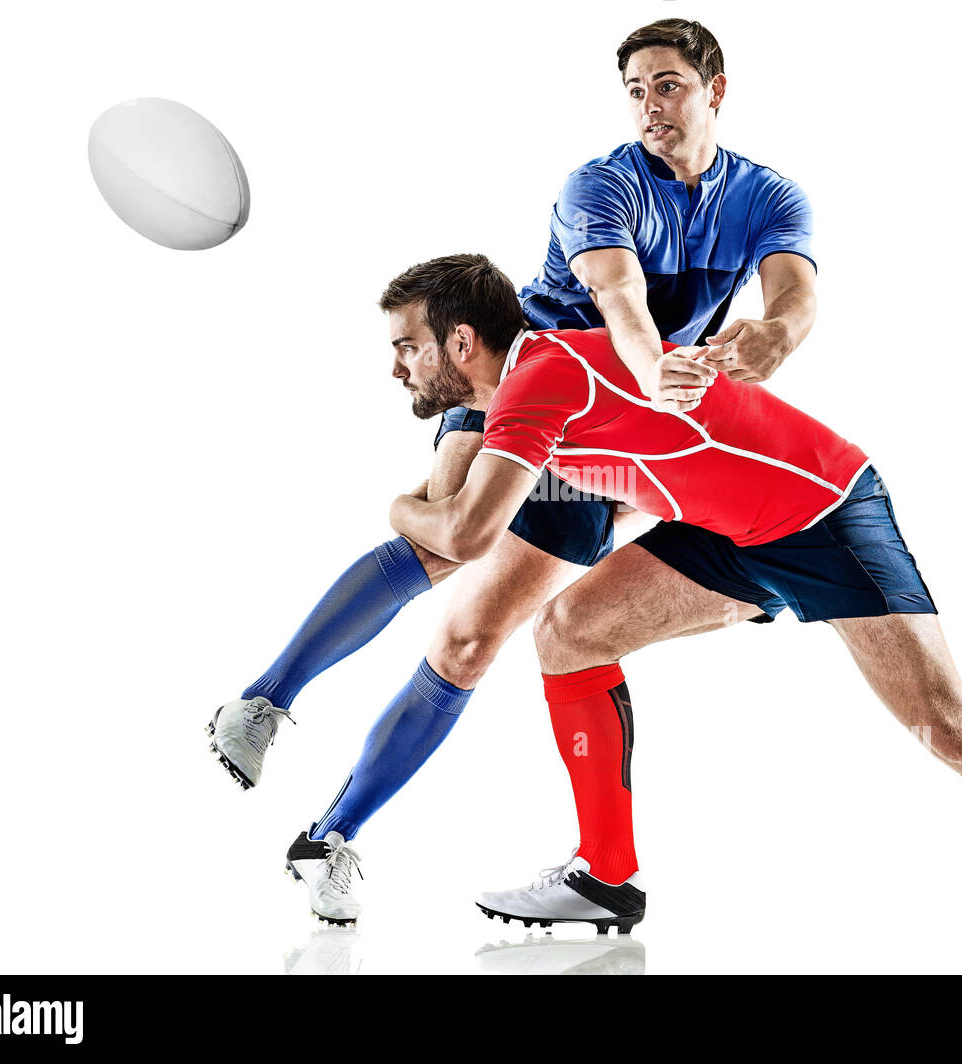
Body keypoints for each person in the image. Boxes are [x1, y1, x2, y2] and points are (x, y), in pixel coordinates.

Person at [377, 253, 962, 954]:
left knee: (950, 727)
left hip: (824, 511)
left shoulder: (534, 383)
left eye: (406, 347)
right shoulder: (538, 377)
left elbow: (465, 535)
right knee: (570, 631)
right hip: (729, 530)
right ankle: (606, 879)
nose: (396, 369)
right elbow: (631, 462)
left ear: (461, 343)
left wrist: (397, 510)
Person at [208, 20, 822, 921]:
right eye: (637, 89)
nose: (651, 106)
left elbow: (796, 294)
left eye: (669, 86)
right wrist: (659, 371)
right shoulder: (600, 184)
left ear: (715, 90)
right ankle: (262, 703)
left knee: (468, 642)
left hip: (611, 433)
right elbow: (619, 302)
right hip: (524, 375)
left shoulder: (767, 195)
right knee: (448, 534)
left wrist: (776, 334)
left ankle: (328, 837)